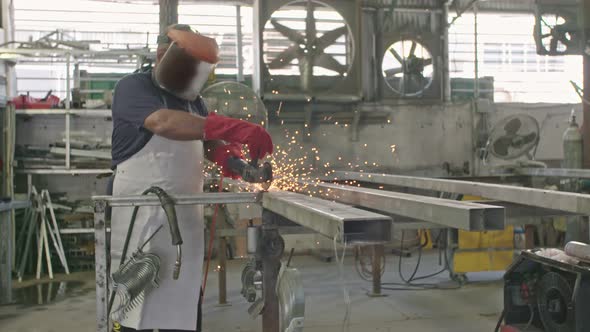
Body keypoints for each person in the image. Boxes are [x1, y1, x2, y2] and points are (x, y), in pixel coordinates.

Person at [109, 24, 273, 332]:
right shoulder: (133, 87)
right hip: (140, 215)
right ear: (162, 55)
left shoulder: (194, 101)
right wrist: (235, 127)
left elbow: (209, 143)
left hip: (185, 216)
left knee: (184, 297)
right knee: (134, 299)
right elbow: (163, 122)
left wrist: (239, 165)